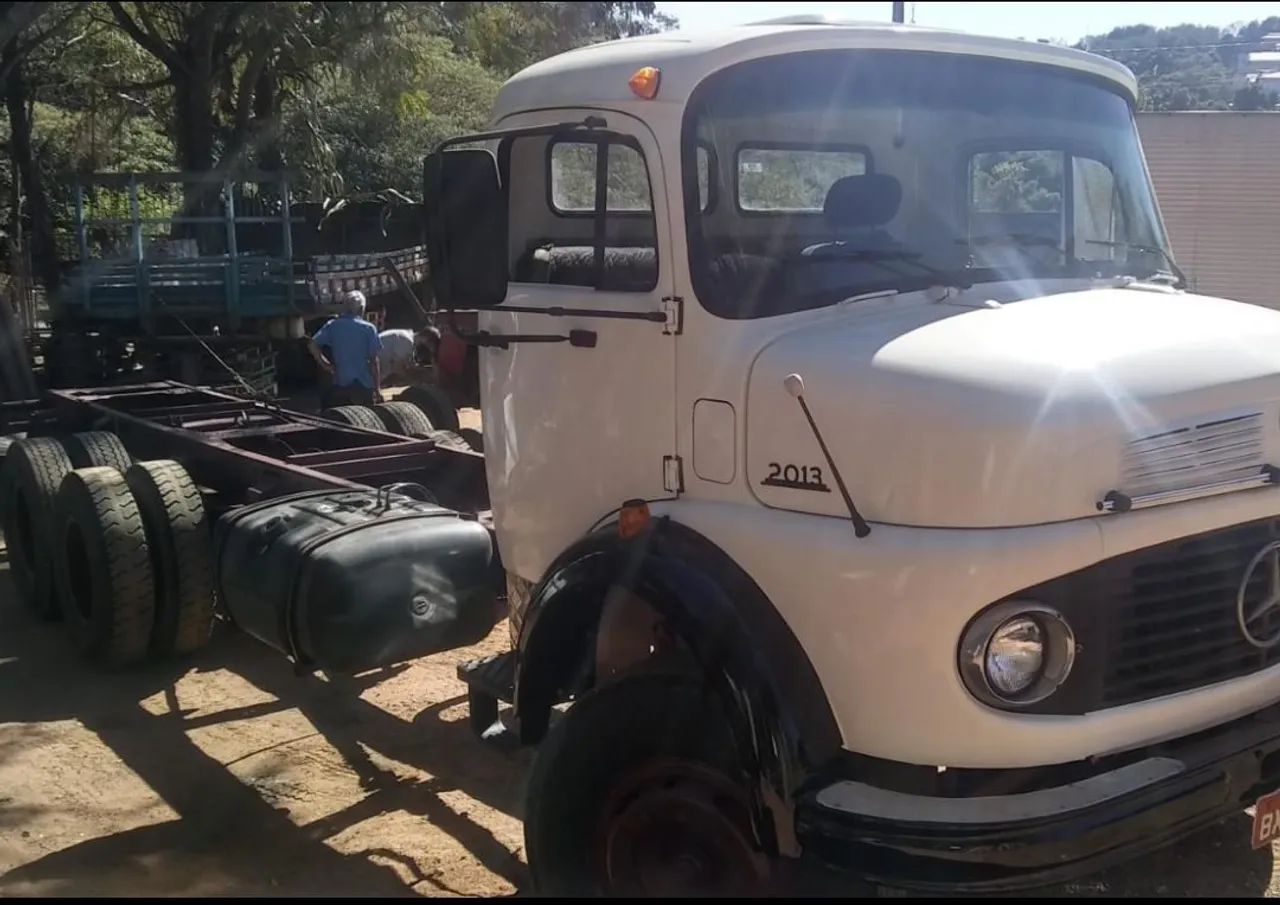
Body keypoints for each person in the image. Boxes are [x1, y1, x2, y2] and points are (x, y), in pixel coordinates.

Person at [308, 290, 383, 408]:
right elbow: (374, 361)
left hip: (341, 383)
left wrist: (325, 364)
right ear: (361, 308)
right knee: (365, 417)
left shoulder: (333, 325)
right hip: (364, 385)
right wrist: (377, 389)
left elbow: (312, 344)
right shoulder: (369, 329)